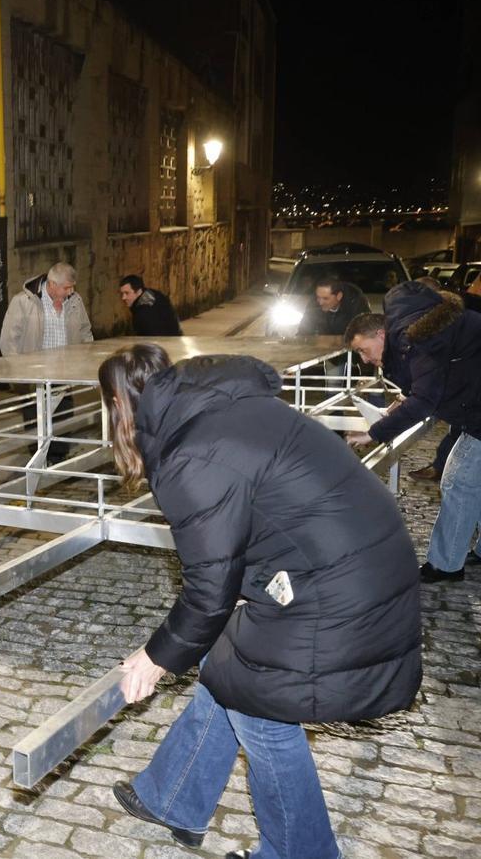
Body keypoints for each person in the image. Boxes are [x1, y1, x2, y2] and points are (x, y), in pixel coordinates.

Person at [99, 344, 421, 859]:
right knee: (229, 663)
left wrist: (156, 657)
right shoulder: (222, 411)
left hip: (339, 590)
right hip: (355, 565)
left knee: (262, 710)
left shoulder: (191, 451)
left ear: (119, 404)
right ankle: (175, 796)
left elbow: (210, 584)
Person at [345, 282, 481, 583]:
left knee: (459, 483)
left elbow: (425, 401)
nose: (365, 361)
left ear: (381, 334)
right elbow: (433, 377)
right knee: (472, 482)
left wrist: (374, 433)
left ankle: (445, 566)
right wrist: (406, 398)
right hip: (475, 407)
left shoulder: (417, 337)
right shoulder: (419, 331)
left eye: (364, 351)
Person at [0, 262, 94, 465]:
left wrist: (86, 361)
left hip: (66, 372)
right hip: (34, 375)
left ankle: (58, 457)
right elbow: (8, 341)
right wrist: (19, 371)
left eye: (72, 287)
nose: (71, 292)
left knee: (63, 415)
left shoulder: (75, 302)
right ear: (52, 284)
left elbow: (86, 332)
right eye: (67, 288)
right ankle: (38, 458)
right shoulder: (24, 302)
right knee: (36, 418)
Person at [298, 277, 370, 337]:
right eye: (318, 297)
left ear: (339, 296)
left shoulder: (356, 304)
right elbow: (303, 332)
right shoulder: (313, 305)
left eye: (325, 298)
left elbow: (364, 332)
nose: (320, 302)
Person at [118, 274, 182, 336]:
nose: (123, 298)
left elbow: (151, 337)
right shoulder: (150, 293)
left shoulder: (145, 311)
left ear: (138, 291)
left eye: (127, 293)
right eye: (122, 293)